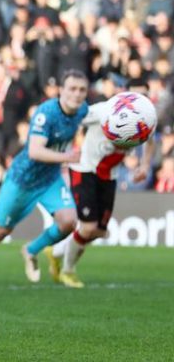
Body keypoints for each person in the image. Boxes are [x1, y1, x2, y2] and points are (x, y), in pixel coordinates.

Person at [0, 70, 89, 290]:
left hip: (49, 178)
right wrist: (67, 157)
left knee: (69, 221)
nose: (77, 95)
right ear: (61, 91)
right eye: (72, 89)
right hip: (23, 179)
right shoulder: (46, 113)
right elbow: (35, 152)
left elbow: (102, 120)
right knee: (1, 230)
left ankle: (31, 249)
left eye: (82, 90)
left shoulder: (83, 111)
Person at [46, 98, 155, 288]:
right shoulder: (102, 111)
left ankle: (56, 252)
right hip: (84, 169)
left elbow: (151, 141)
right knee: (88, 228)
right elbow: (71, 119)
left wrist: (145, 165)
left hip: (109, 175)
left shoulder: (145, 115)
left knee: (98, 232)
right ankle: (68, 271)